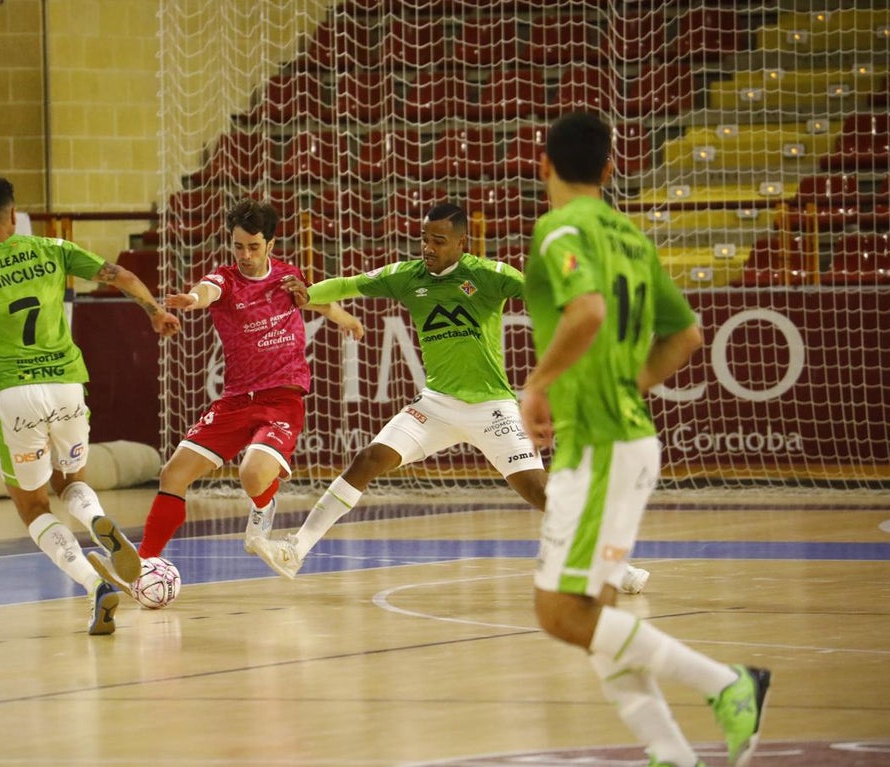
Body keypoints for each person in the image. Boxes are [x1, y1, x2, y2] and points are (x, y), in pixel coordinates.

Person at [519, 112, 769, 767]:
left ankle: (727, 683)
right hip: (626, 435)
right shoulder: (633, 238)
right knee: (596, 616)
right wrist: (628, 381)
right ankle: (671, 752)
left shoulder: (558, 229)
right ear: (608, 169)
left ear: (543, 164)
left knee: (558, 613)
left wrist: (537, 385)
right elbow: (685, 337)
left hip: (601, 443)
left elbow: (588, 311)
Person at [248, 202, 651, 595]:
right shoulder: (408, 276)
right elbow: (351, 284)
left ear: (462, 244)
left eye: (438, 241)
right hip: (436, 405)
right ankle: (296, 550)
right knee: (368, 459)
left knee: (541, 494)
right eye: (424, 239)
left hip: (491, 406)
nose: (427, 248)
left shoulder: (489, 275)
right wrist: (309, 293)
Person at [0, 176, 180, 635]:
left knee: (32, 506)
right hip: (68, 386)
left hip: (16, 395)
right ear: (14, 215)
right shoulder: (52, 248)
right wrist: (154, 310)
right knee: (71, 480)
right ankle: (96, 520)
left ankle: (95, 586)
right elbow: (125, 277)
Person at [130, 198, 364, 566]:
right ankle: (144, 563)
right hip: (236, 399)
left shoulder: (288, 278)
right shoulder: (226, 278)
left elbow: (318, 303)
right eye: (238, 245)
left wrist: (345, 319)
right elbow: (206, 291)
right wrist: (191, 300)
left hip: (282, 397)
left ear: (270, 244)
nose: (245, 254)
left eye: (254, 246)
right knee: (172, 474)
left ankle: (264, 503)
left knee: (252, 473)